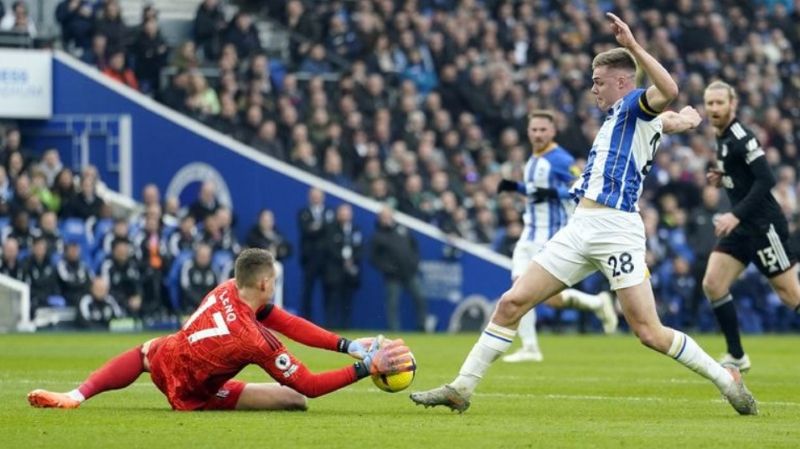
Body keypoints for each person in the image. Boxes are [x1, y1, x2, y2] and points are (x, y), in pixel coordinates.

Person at [409, 13, 757, 416]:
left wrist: (634, 46)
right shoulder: (626, 118)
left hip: (616, 229)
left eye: (598, 81)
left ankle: (725, 380)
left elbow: (670, 91)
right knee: (511, 301)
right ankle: (461, 388)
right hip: (580, 227)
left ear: (623, 82)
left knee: (648, 332)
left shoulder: (632, 106)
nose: (592, 88)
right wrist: (686, 119)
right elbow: (672, 116)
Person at [28, 248, 413, 411]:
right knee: (296, 399)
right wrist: (367, 368)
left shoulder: (227, 288)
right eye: (273, 281)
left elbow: (288, 322)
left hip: (167, 360)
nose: (274, 287)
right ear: (263, 284)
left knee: (145, 351)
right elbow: (309, 384)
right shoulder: (255, 340)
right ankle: (200, 396)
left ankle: (77, 395)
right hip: (196, 391)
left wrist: (347, 346)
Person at [496, 110, 618, 363]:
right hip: (528, 235)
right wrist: (515, 187)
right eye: (534, 130)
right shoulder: (532, 160)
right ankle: (530, 346)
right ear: (528, 132)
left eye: (543, 130)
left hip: (550, 236)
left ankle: (596, 304)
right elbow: (537, 192)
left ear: (553, 132)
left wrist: (549, 193)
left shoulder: (560, 159)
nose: (538, 134)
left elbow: (580, 187)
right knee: (519, 292)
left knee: (546, 299)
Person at [700, 80, 800, 372]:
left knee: (789, 294)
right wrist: (725, 177)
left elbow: (766, 179)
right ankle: (737, 355)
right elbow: (744, 175)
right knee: (713, 284)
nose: (715, 108)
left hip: (763, 226)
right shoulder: (721, 137)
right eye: (710, 103)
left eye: (720, 103)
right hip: (742, 227)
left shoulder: (742, 137)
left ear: (733, 105)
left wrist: (735, 215)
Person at [370, 206, 427, 331]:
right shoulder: (378, 235)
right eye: (384, 216)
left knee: (420, 298)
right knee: (392, 304)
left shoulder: (402, 229)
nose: (386, 219)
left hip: (409, 273)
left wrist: (414, 263)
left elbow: (414, 247)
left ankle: (422, 326)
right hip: (393, 276)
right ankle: (394, 329)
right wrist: (388, 268)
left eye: (388, 215)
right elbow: (374, 258)